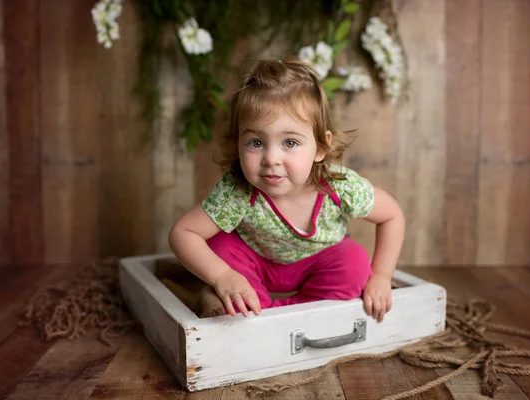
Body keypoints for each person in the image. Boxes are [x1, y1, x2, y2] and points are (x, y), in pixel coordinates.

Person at [169, 57, 405, 323]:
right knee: (220, 245)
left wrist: (382, 276)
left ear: (321, 147)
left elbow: (391, 215)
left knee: (354, 263)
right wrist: (222, 276)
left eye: (290, 142)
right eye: (256, 142)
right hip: (255, 265)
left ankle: (280, 316)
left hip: (316, 265)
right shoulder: (237, 191)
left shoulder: (340, 187)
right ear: (238, 144)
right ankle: (232, 297)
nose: (271, 158)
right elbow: (183, 232)